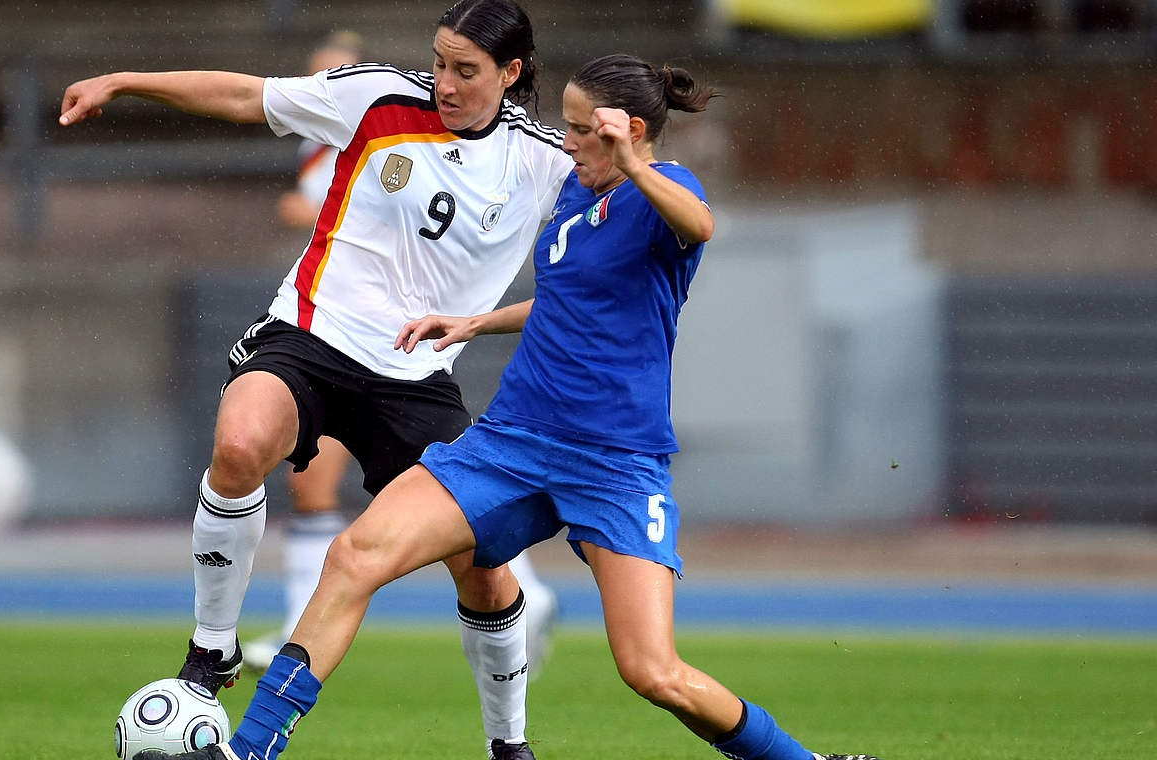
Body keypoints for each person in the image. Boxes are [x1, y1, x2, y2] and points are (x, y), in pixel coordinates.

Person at [137, 54, 883, 760]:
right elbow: (569, 302)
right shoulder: (571, 198)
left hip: (616, 465)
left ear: (627, 132)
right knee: (355, 556)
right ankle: (252, 747)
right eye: (567, 124)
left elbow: (700, 225)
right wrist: (474, 322)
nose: (569, 140)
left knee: (652, 672)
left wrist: (630, 165)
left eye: (584, 128)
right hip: (513, 443)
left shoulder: (665, 192)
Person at [59, 2, 570, 758]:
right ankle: (211, 651)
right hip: (312, 337)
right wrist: (128, 80)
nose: (445, 83)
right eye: (439, 62)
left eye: (466, 70)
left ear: (511, 73)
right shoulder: (377, 99)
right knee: (239, 443)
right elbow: (245, 96)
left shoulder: (543, 160)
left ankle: (509, 743)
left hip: (417, 379)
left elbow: (628, 223)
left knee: (486, 570)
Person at [251, 26, 559, 677]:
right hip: (338, 334)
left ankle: (526, 593)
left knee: (455, 517)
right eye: (320, 69)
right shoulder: (331, 141)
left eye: (337, 67)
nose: (328, 79)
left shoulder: (393, 127)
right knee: (313, 488)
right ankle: (295, 621)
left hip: (398, 352)